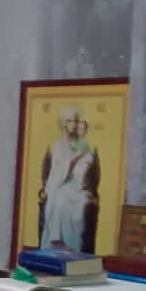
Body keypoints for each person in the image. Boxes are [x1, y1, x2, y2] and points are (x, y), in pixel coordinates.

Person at [39, 107, 99, 251]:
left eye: (75, 121)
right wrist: (74, 159)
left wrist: (82, 162)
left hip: (77, 185)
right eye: (69, 121)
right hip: (59, 183)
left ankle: (71, 245)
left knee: (75, 199)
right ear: (64, 124)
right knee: (60, 196)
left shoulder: (81, 143)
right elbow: (57, 171)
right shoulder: (59, 145)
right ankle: (56, 240)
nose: (73, 124)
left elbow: (88, 162)